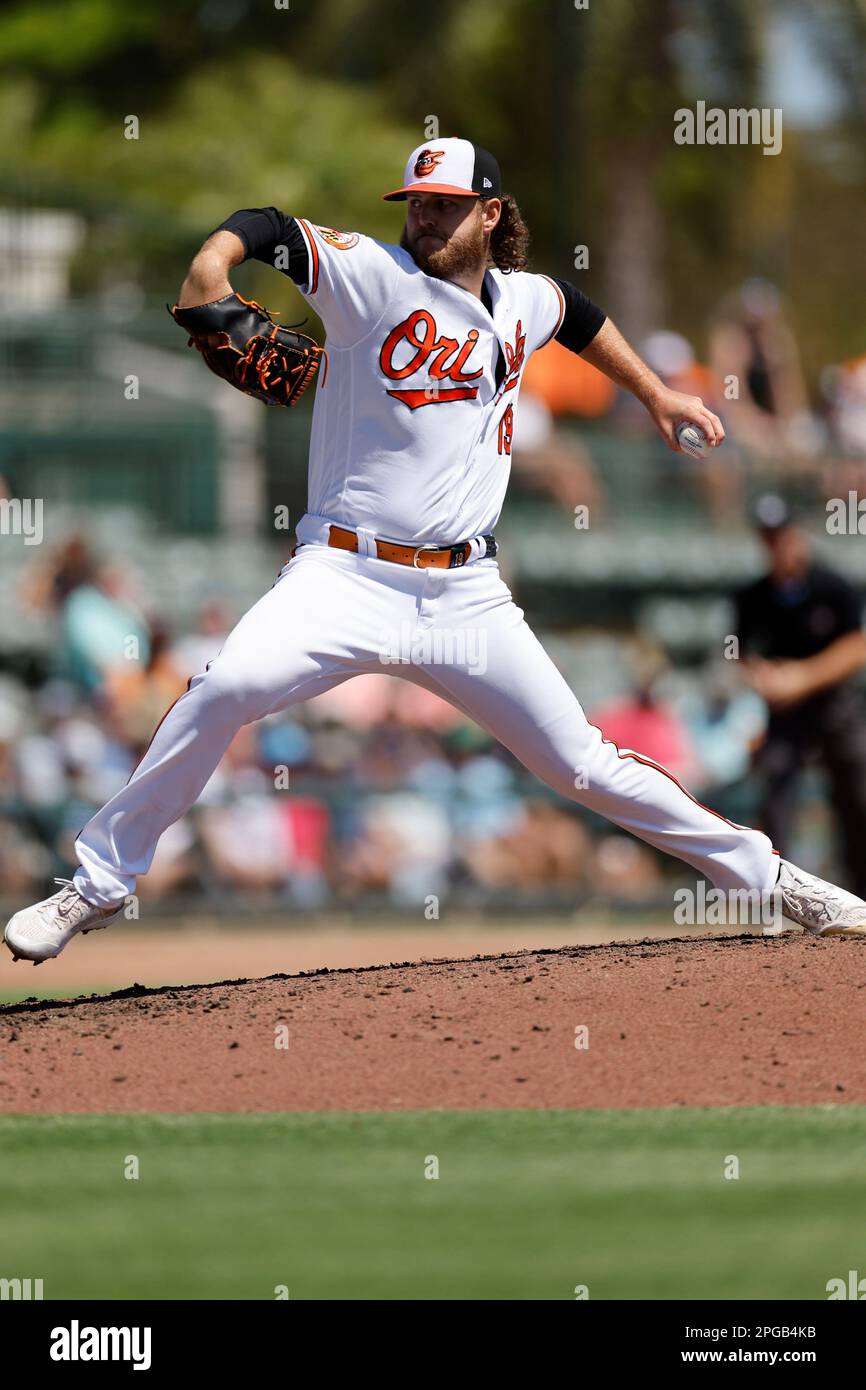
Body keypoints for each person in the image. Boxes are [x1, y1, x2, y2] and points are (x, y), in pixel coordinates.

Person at [5, 137, 865, 964]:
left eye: (446, 205)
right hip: (344, 572)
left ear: (490, 214)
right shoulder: (372, 275)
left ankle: (776, 880)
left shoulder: (523, 298)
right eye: (417, 201)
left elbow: (580, 314)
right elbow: (268, 225)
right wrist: (213, 264)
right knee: (224, 686)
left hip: (467, 595)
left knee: (583, 766)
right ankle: (99, 882)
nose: (425, 216)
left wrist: (655, 394)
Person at [736, 493, 866, 897]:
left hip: (833, 705)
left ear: (797, 534)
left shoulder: (832, 585)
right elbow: (740, 650)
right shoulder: (753, 595)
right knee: (775, 791)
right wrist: (764, 677)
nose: (775, 543)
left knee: (857, 791)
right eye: (767, 536)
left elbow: (857, 646)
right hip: (784, 710)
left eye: (781, 534)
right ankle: (782, 896)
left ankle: (862, 889)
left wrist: (802, 677)